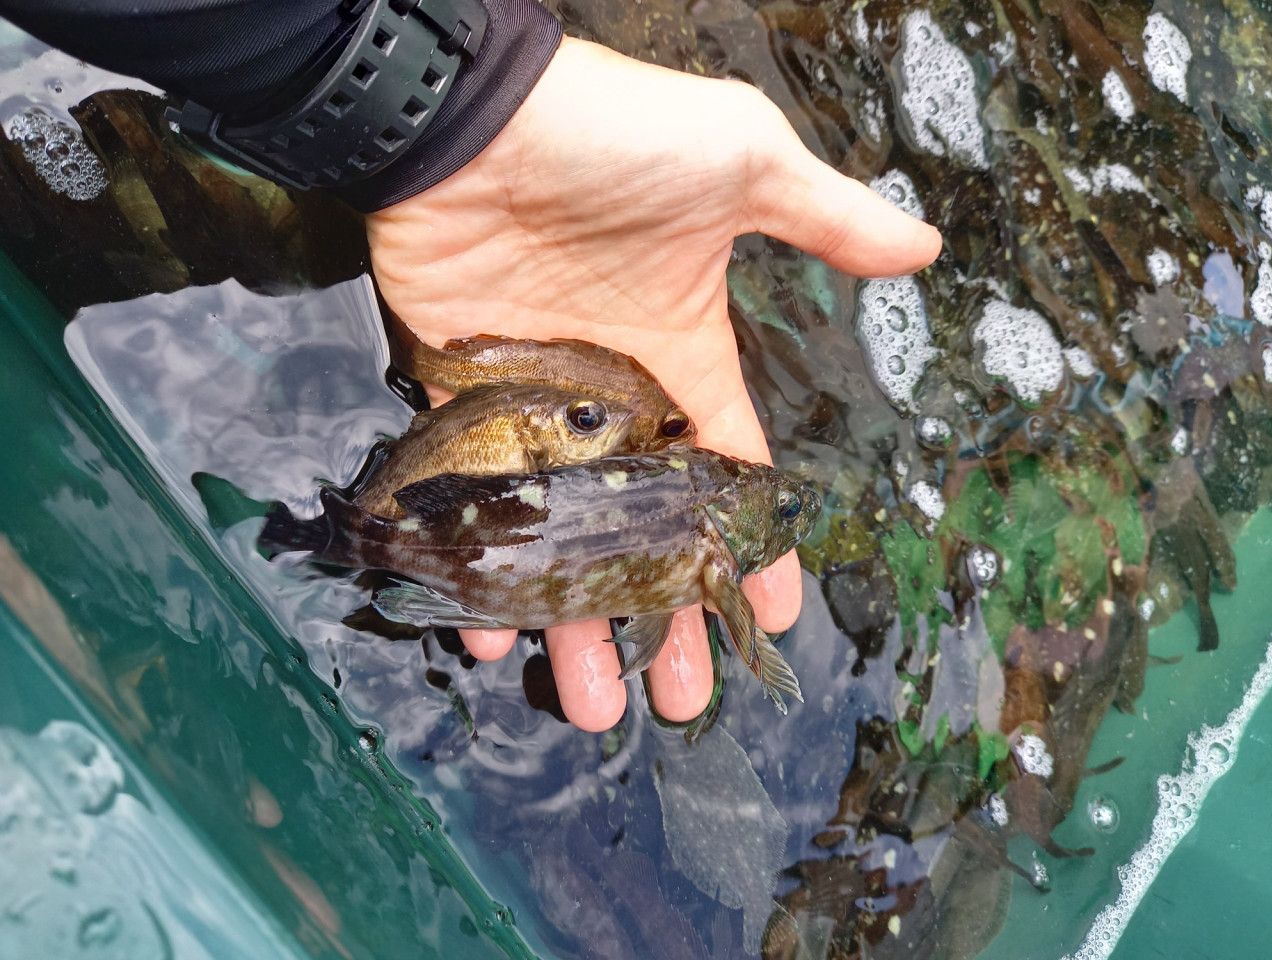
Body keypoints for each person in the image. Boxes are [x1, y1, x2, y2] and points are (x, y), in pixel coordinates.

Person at [0, 0, 940, 732]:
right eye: (766, 500)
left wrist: (462, 106)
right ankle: (337, 535)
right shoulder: (661, 502)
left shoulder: (672, 501)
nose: (773, 494)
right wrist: (461, 96)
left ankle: (335, 537)